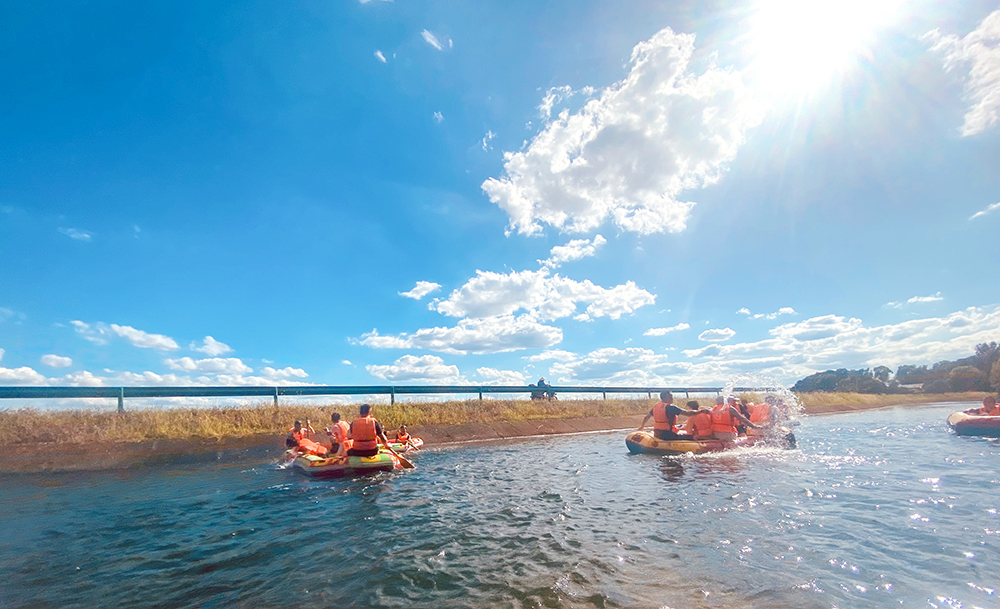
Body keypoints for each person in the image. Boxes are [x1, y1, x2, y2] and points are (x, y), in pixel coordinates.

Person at [637, 391, 707, 440]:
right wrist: (700, 411)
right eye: (670, 396)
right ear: (665, 398)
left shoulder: (656, 406)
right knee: (692, 437)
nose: (672, 398)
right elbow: (688, 413)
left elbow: (647, 417)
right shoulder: (671, 408)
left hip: (657, 433)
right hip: (667, 435)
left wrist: (642, 426)